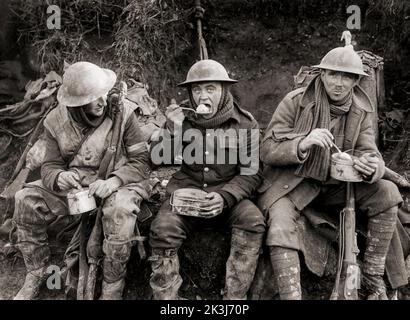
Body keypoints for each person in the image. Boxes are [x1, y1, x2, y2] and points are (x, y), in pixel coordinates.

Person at [257, 44, 403, 300]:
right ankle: (291, 295)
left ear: (356, 81)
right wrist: (302, 143)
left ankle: (371, 275)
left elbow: (370, 153)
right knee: (279, 223)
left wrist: (370, 167)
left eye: (347, 76)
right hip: (294, 184)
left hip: (338, 186)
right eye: (333, 74)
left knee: (388, 191)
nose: (339, 82)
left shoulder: (361, 110)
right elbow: (267, 149)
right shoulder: (296, 102)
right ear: (322, 75)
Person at [13, 61, 151, 300]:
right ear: (76, 104)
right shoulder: (55, 121)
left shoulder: (124, 113)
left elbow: (142, 161)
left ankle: (112, 287)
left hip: (119, 183)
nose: (102, 102)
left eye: (103, 95)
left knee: (119, 213)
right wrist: (60, 176)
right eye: (93, 98)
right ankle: (35, 273)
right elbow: (49, 166)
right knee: (25, 199)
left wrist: (114, 181)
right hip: (79, 190)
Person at [148, 59, 265, 299]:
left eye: (210, 88)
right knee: (162, 229)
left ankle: (235, 298)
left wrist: (225, 197)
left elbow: (251, 173)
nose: (203, 97)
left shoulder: (245, 123)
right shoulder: (182, 118)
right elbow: (156, 160)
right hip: (186, 192)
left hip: (227, 193)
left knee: (253, 221)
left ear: (224, 91)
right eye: (197, 90)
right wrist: (171, 130)